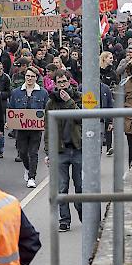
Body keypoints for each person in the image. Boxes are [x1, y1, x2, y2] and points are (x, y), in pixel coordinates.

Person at [44, 69, 82, 232]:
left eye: (64, 82)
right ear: (55, 84)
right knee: (62, 187)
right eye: (59, 83)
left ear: (69, 82)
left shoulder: (78, 98)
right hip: (60, 150)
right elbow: (47, 129)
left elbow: (81, 118)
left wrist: (70, 102)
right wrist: (48, 152)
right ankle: (64, 220)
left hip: (78, 148)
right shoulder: (51, 103)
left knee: (80, 186)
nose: (62, 86)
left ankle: (83, 213)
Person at [8, 67, 49, 189]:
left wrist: (45, 121)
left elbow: (46, 109)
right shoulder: (16, 92)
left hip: (36, 129)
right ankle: (28, 168)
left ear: (36, 78)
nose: (29, 78)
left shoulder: (43, 93)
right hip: (21, 128)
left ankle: (32, 177)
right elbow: (11, 108)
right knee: (23, 152)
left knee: (33, 152)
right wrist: (9, 122)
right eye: (27, 76)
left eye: (32, 76)